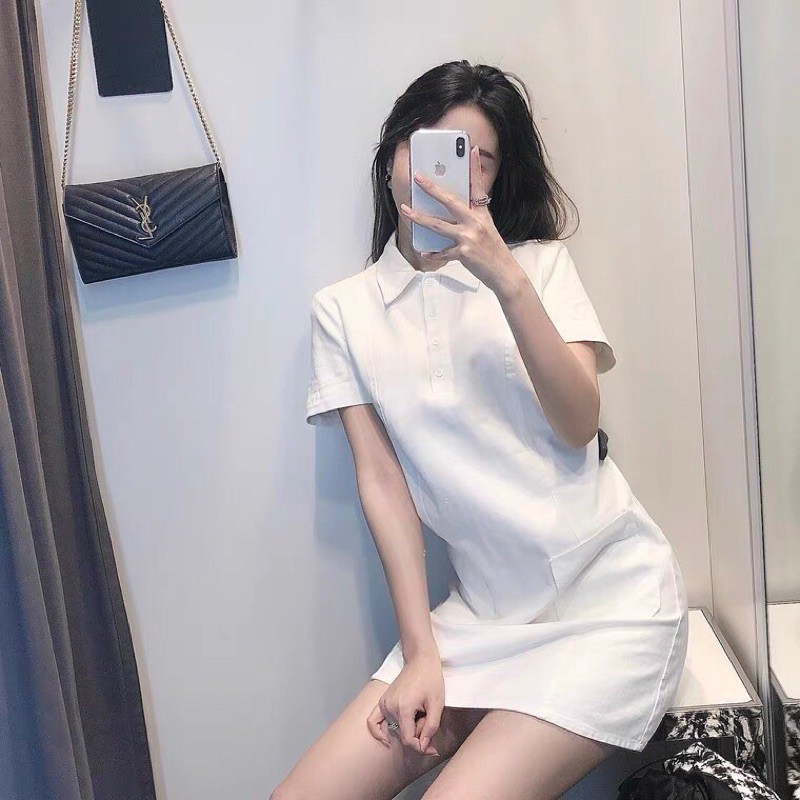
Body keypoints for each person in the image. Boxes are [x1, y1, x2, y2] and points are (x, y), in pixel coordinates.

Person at [279, 60, 689, 800]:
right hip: (479, 622)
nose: (449, 172)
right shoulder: (343, 311)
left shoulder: (539, 268)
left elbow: (579, 424)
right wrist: (420, 653)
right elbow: (384, 485)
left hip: (610, 608)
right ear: (393, 158)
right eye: (431, 145)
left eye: (479, 159)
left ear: (494, 183)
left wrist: (505, 277)